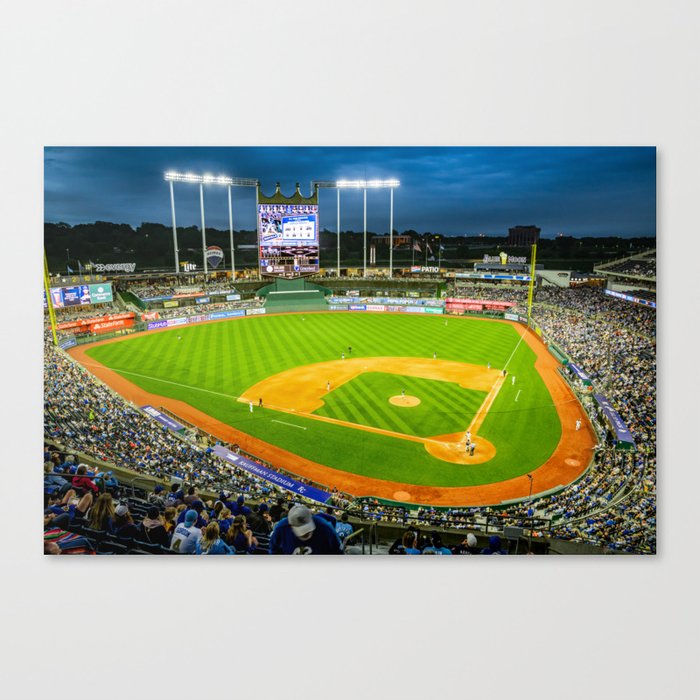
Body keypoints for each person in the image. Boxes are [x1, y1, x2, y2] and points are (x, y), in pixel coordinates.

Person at [269, 504, 342, 555]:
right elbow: (274, 551)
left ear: (312, 518)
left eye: (307, 528)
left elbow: (337, 553)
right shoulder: (281, 529)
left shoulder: (325, 528)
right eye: (301, 530)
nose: (305, 533)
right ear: (291, 525)